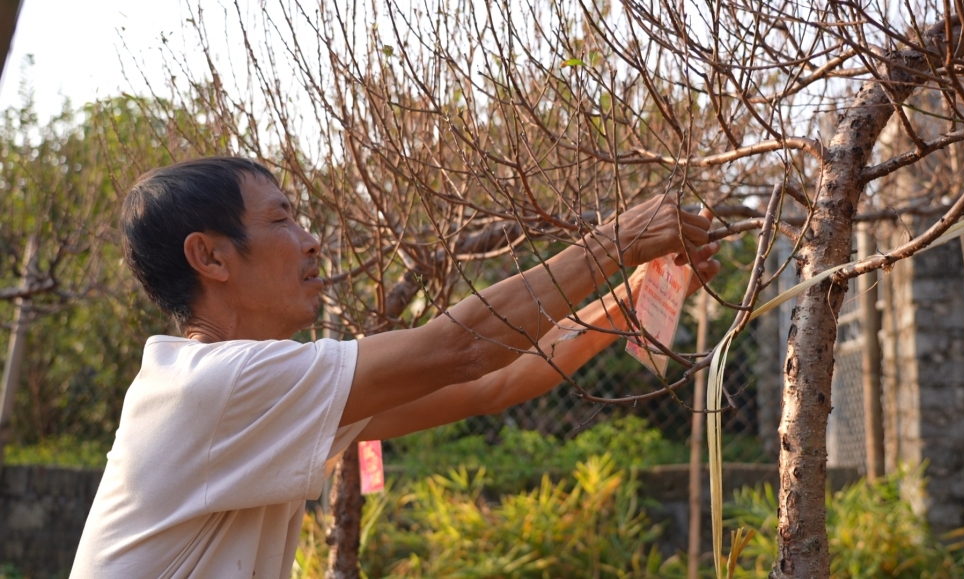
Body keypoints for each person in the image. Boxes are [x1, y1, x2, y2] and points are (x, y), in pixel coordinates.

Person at [70, 157, 721, 578]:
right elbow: (461, 348)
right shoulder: (219, 385)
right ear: (209, 257)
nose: (310, 238)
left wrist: (636, 295)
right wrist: (614, 240)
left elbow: (493, 380)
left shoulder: (251, 391)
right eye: (281, 218)